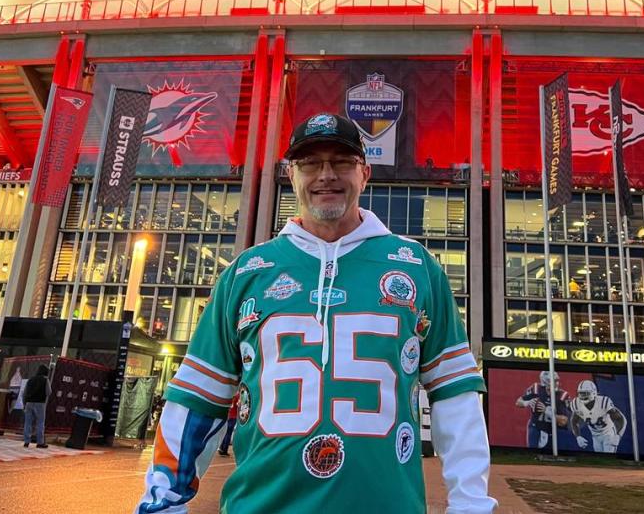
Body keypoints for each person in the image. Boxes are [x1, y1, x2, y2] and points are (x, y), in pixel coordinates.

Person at [136, 114, 496, 514]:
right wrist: (161, 503)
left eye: (341, 161)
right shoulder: (246, 272)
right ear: (291, 175)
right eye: (310, 163)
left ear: (365, 173)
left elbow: (455, 395)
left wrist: (472, 503)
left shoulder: (417, 267)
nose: (326, 175)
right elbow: (198, 399)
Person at [516, 370, 571, 452]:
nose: (557, 383)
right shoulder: (536, 389)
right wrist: (527, 402)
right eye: (554, 381)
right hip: (536, 427)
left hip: (554, 430)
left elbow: (564, 421)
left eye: (557, 381)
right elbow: (518, 402)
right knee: (533, 454)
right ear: (546, 381)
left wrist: (547, 411)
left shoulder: (562, 395)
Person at [569, 379, 626, 453]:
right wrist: (578, 437)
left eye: (585, 393)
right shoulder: (576, 404)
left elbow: (620, 419)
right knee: (600, 460)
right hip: (595, 436)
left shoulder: (603, 402)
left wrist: (618, 435)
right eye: (581, 393)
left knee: (608, 459)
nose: (582, 396)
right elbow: (573, 421)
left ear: (593, 393)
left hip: (608, 434)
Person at [23, 364, 51, 449]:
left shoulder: (30, 380)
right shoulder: (45, 380)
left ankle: (26, 442)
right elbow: (49, 392)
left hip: (29, 403)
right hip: (40, 403)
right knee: (40, 422)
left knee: (28, 422)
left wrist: (25, 403)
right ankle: (40, 442)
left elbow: (24, 392)